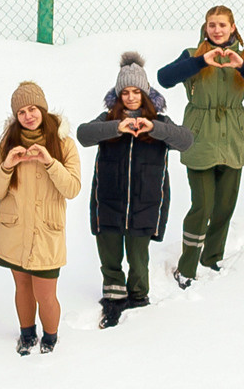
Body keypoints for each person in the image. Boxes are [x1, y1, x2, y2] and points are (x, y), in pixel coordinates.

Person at [156, 5, 244, 285]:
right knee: (203, 205)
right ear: (205, 27)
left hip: (233, 138)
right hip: (200, 137)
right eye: (212, 25)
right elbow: (165, 78)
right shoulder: (192, 55)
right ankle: (186, 267)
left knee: (224, 205)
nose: (217, 30)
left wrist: (243, 67)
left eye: (222, 25)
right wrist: (201, 62)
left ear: (232, 27)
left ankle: (211, 259)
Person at [76, 53, 191, 328]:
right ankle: (113, 299)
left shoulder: (160, 121)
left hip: (146, 203)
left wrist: (156, 128)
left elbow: (186, 141)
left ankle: (139, 301)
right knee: (110, 257)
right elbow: (83, 134)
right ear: (118, 95)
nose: (130, 97)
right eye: (124, 92)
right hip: (109, 202)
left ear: (145, 93)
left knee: (139, 259)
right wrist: (116, 127)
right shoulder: (108, 120)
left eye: (136, 91)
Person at [0, 81, 83, 355]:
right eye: (21, 112)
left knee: (45, 293)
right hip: (14, 231)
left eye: (33, 109)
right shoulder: (8, 143)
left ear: (42, 108)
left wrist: (50, 162)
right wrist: (7, 165)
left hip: (45, 233)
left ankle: (50, 338)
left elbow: (72, 188)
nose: (28, 116)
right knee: (23, 288)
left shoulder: (63, 143)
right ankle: (27, 334)